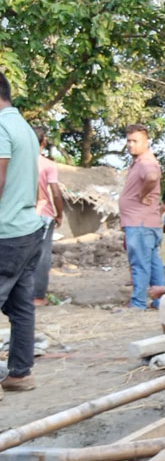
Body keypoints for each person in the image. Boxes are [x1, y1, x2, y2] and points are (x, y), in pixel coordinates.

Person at [0, 71, 43, 392]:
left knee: (20, 306)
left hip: (7, 232)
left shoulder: (1, 126)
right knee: (21, 306)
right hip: (27, 228)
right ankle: (20, 373)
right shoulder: (23, 127)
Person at [119, 123, 165, 310]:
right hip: (146, 223)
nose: (130, 145)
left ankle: (138, 303)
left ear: (146, 142)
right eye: (128, 141)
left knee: (139, 265)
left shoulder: (146, 161)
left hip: (140, 224)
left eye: (135, 141)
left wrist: (143, 194)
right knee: (154, 265)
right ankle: (161, 301)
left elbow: (152, 177)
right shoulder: (142, 161)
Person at [32, 127, 64, 306]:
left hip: (21, 214)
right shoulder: (48, 165)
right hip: (43, 214)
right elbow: (56, 194)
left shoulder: (16, 162)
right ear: (44, 142)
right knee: (42, 255)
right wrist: (59, 215)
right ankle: (37, 296)